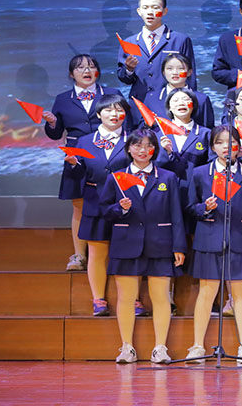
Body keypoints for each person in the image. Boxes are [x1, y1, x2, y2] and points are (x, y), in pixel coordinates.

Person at [100, 128, 186, 364]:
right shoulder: (116, 178)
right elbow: (105, 211)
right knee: (126, 298)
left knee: (161, 298)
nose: (143, 150)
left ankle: (160, 348)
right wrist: (120, 209)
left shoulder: (167, 177)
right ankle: (127, 348)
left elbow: (176, 214)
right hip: (126, 244)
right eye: (137, 145)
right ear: (129, 149)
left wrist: (179, 247)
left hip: (160, 244)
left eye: (148, 146)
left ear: (155, 150)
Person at [185, 125, 242, 362]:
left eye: (231, 142)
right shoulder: (200, 173)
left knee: (241, 294)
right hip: (209, 238)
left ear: (239, 146)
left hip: (241, 239)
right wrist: (204, 208)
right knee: (206, 293)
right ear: (212, 147)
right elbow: (190, 207)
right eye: (220, 142)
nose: (226, 147)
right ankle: (197, 346)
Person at [43, 54, 117, 272]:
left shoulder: (111, 94)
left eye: (91, 67)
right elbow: (56, 134)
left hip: (109, 154)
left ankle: (115, 254)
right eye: (81, 67)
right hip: (76, 156)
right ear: (71, 74)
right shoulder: (62, 99)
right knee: (79, 207)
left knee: (114, 203)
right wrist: (52, 123)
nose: (87, 71)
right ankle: (79, 256)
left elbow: (126, 124)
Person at [67, 93, 131, 316]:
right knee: (96, 252)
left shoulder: (134, 139)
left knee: (128, 252)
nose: (114, 114)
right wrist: (73, 166)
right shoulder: (84, 141)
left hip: (126, 202)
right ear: (98, 114)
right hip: (95, 202)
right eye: (108, 110)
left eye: (119, 110)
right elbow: (79, 175)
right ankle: (98, 300)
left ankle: (133, 299)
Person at [116, 0, 197, 103]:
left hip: (170, 103)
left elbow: (190, 77)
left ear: (164, 11)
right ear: (139, 11)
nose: (150, 12)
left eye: (155, 8)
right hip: (140, 104)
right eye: (145, 8)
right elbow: (124, 78)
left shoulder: (180, 40)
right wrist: (129, 70)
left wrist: (190, 102)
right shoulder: (130, 42)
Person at [143, 53, 215, 128]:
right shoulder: (151, 99)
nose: (175, 73)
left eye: (180, 68)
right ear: (164, 72)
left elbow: (208, 128)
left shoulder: (201, 99)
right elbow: (142, 127)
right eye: (169, 69)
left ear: (189, 72)